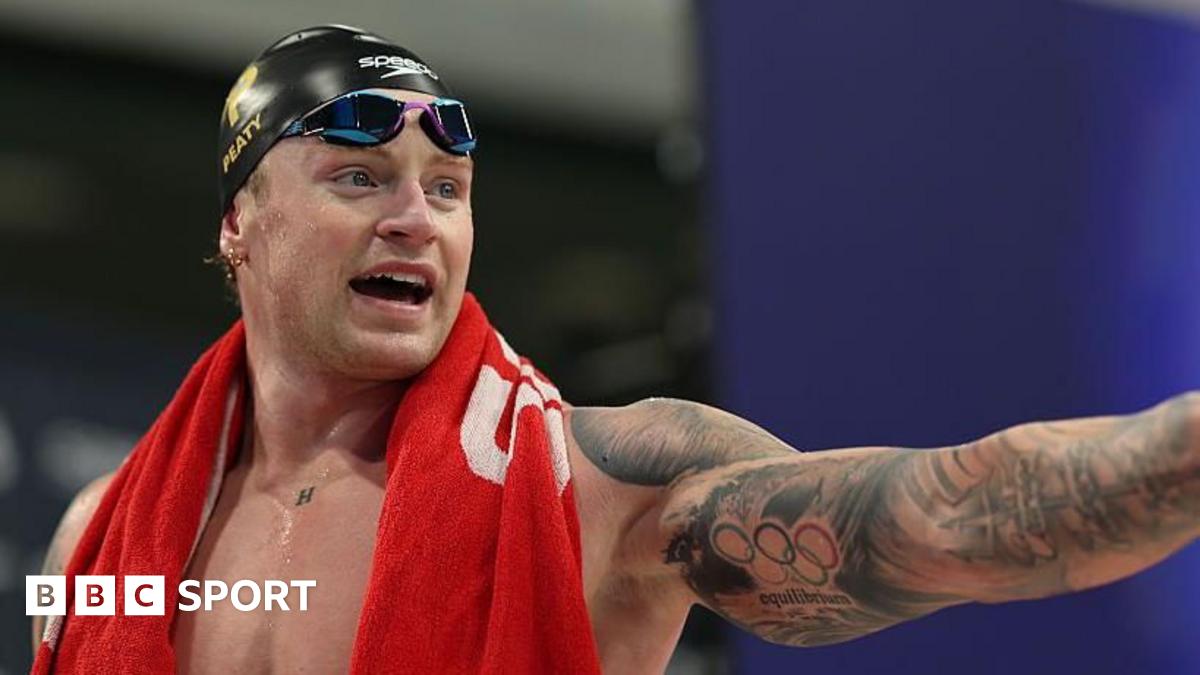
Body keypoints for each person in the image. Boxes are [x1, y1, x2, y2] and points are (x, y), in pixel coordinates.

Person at [31, 24, 1200, 674]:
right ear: (240, 224)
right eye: (358, 177)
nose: (416, 219)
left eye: (449, 188)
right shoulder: (109, 532)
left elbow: (954, 517)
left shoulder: (603, 483)